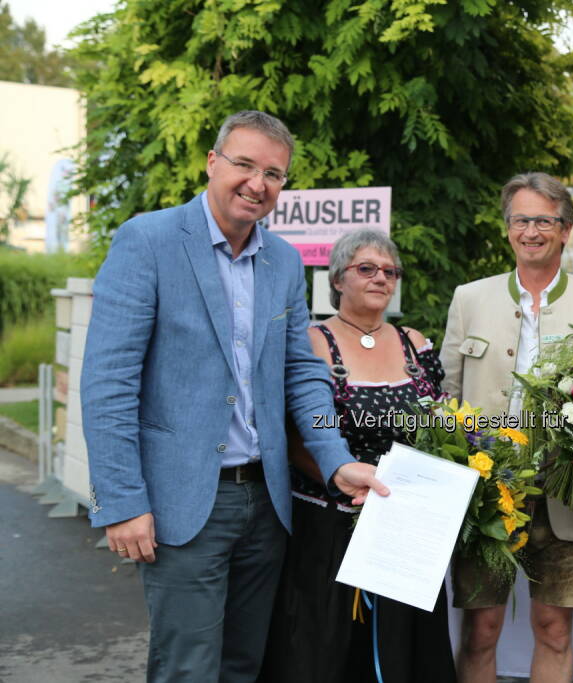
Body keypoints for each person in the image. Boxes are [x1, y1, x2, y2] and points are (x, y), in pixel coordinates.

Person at [81, 110, 386, 683]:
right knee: (188, 670)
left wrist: (336, 459)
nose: (257, 183)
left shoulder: (284, 261)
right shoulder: (148, 240)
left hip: (267, 505)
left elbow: (301, 372)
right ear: (212, 162)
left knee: (244, 667)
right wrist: (121, 500)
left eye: (273, 173)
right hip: (184, 505)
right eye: (244, 165)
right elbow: (107, 383)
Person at [440, 172, 573, 683]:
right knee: (481, 629)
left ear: (567, 230)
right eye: (522, 220)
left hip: (567, 494)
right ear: (507, 229)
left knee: (555, 628)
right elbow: (446, 401)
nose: (532, 231)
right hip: (486, 492)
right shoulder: (469, 299)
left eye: (545, 220)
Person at [260, 229, 456, 682]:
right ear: (337, 279)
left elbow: (441, 424)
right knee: (327, 648)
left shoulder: (415, 343)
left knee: (407, 649)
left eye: (390, 271)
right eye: (366, 268)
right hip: (330, 519)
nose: (380, 278)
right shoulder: (312, 341)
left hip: (406, 523)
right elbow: (295, 435)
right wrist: (344, 481)